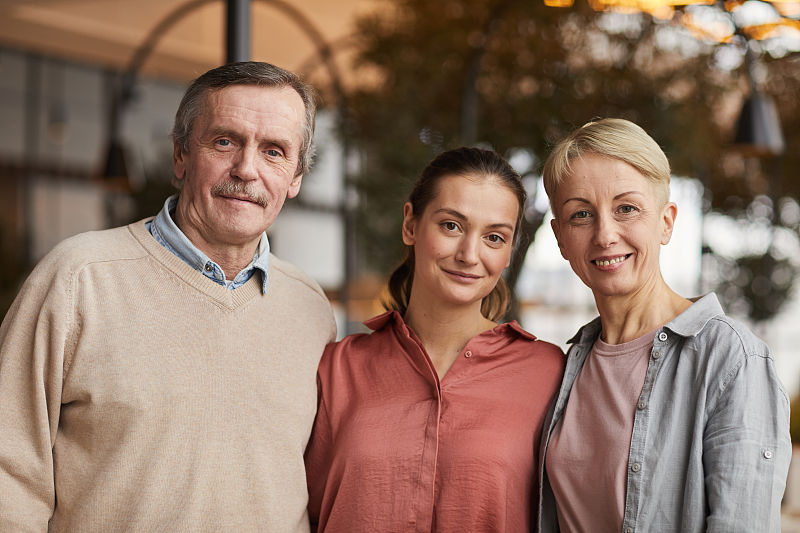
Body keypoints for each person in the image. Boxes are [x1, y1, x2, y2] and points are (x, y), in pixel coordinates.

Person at [0, 62, 336, 532]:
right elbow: (9, 470)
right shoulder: (79, 278)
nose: (247, 169)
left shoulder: (311, 309)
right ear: (181, 155)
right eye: (224, 141)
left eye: (274, 152)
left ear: (296, 177)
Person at [538, 118, 791, 532]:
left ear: (666, 222)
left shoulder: (731, 360)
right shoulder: (568, 365)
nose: (605, 234)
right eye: (581, 214)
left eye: (627, 208)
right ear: (561, 238)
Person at [304, 147, 565, 532]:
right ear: (410, 225)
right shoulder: (336, 368)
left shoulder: (548, 374)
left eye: (494, 237)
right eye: (451, 226)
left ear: (510, 252)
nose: (469, 254)